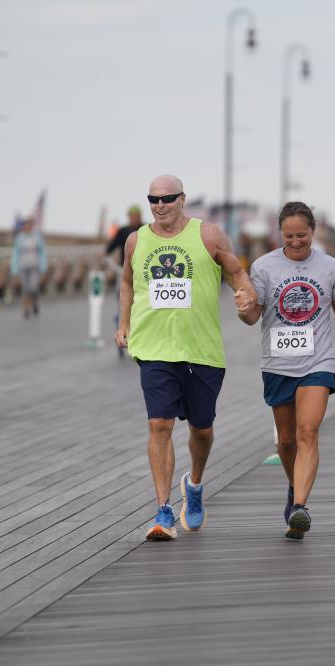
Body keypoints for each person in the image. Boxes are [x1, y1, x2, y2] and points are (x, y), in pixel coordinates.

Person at [115, 175, 255, 541]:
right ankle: (163, 511)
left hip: (201, 350)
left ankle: (194, 484)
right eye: (153, 199)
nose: (160, 206)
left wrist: (246, 297)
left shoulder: (208, 235)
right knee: (158, 425)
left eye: (167, 198)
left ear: (182, 199)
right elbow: (127, 281)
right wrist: (124, 322)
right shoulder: (136, 240)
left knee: (202, 430)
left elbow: (237, 273)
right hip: (154, 348)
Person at [240, 201, 335, 539]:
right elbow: (252, 316)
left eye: (302, 235)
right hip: (277, 363)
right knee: (286, 442)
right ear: (279, 234)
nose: (296, 241)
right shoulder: (264, 267)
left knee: (307, 431)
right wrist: (242, 308)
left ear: (313, 231)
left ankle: (300, 506)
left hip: (317, 362)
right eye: (289, 236)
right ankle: (293, 487)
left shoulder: (330, 267)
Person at [104, 205, 145, 358]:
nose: (134, 218)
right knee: (123, 303)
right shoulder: (122, 231)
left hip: (142, 274)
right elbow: (109, 248)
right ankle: (122, 333)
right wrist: (108, 259)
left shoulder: (146, 230)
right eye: (132, 216)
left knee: (140, 306)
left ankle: (140, 339)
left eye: (136, 216)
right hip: (125, 272)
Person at [10, 217, 47, 319]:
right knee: (25, 289)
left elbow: (42, 253)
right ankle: (26, 308)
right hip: (23, 266)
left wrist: (43, 268)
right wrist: (14, 270)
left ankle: (34, 302)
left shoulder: (37, 238)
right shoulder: (19, 238)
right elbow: (15, 254)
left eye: (30, 226)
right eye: (26, 226)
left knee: (34, 287)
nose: (28, 227)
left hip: (34, 266)